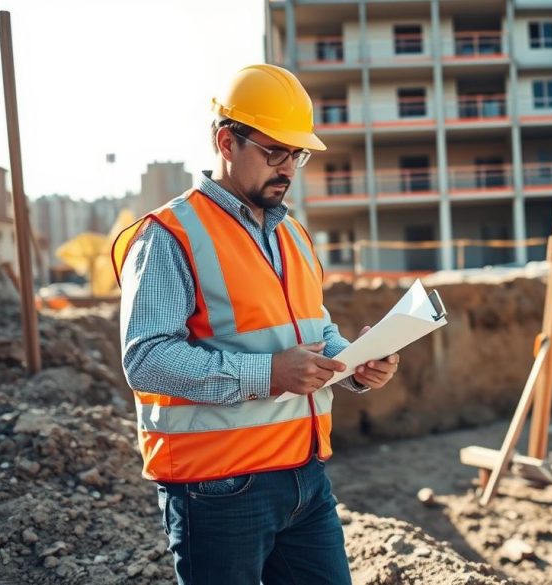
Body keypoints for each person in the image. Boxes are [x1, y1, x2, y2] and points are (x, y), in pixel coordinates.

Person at [112, 63, 398, 585]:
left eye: (298, 154)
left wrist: (356, 364)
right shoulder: (168, 235)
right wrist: (268, 373)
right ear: (226, 141)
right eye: (275, 152)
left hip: (304, 478)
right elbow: (145, 359)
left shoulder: (293, 235)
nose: (289, 167)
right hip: (218, 489)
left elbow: (313, 331)